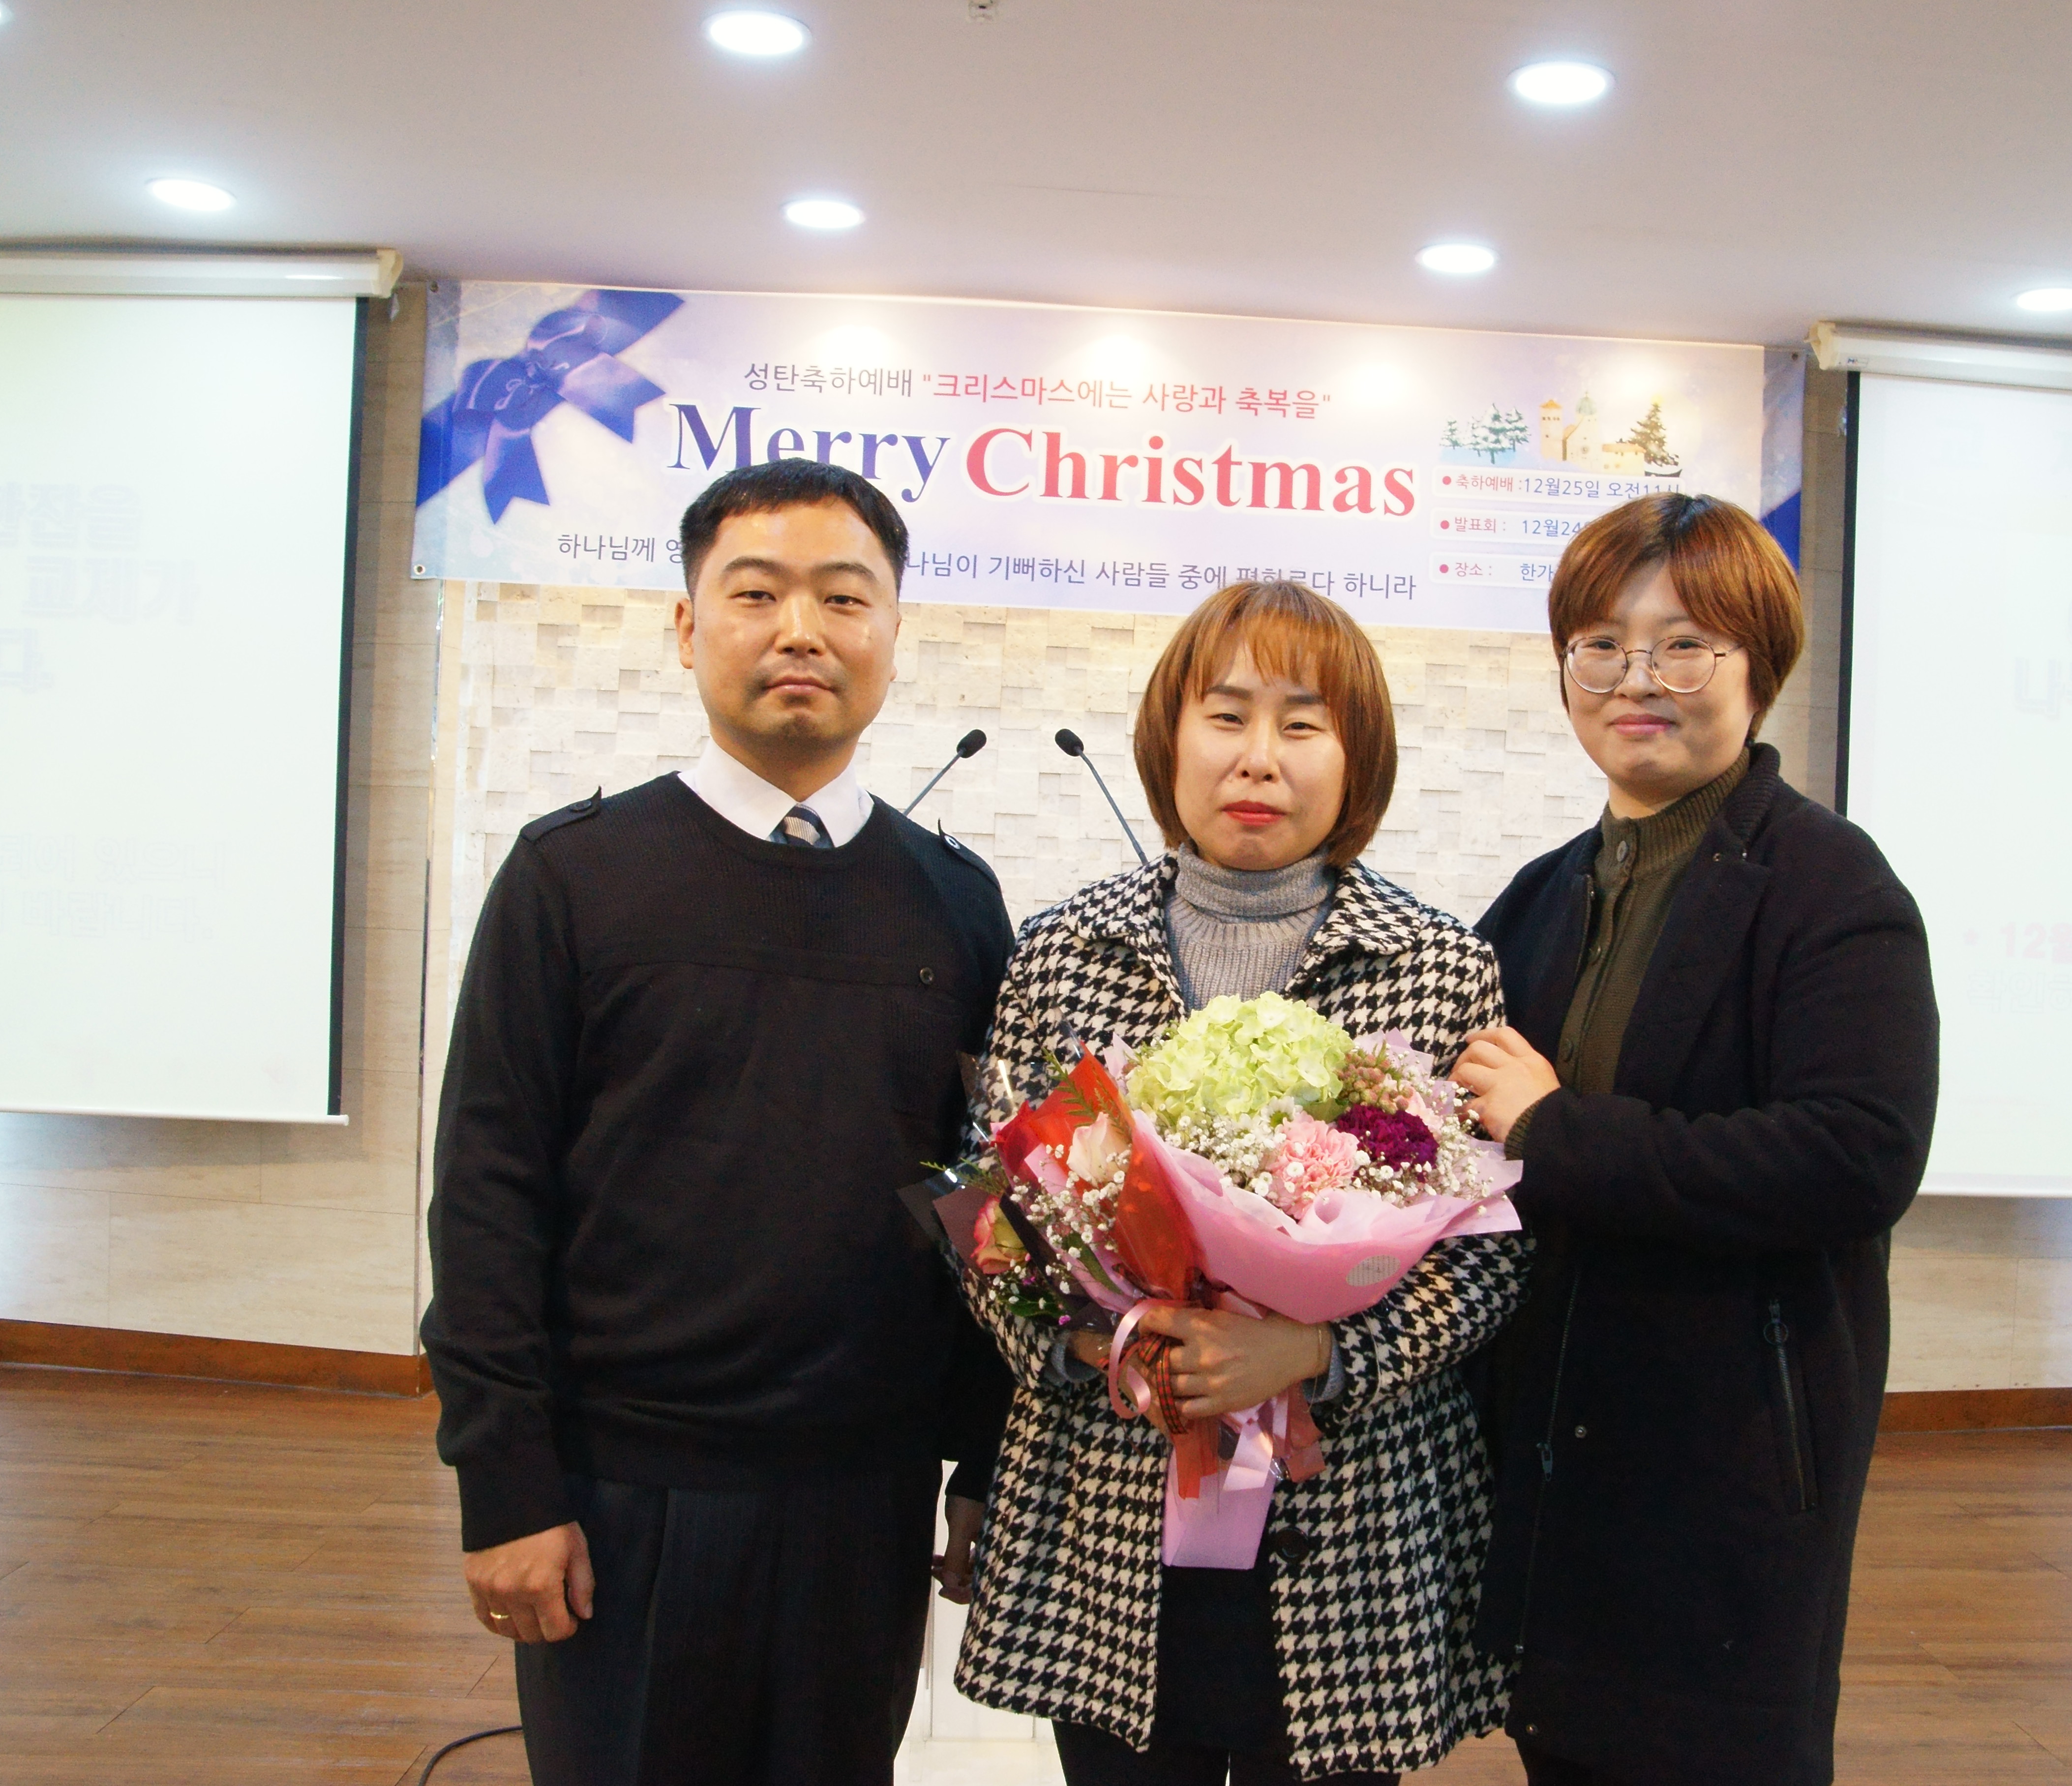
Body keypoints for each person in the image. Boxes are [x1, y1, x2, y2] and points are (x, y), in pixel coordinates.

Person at [420, 459, 1015, 1785]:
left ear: (894, 634)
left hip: (864, 1494)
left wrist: (982, 1460)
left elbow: (989, 1205)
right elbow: (489, 1194)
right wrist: (506, 1484)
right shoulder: (573, 876)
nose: (802, 630)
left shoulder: (958, 902)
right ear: (688, 627)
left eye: (844, 598)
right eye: (756, 594)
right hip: (621, 1491)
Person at [951, 582, 1533, 1785]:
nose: (1258, 757)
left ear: (1355, 758)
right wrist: (1115, 1349)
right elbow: (997, 1229)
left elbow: (1486, 1259)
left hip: (1352, 1528)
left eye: (1302, 723)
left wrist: (1311, 1353)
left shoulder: (1436, 966)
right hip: (1109, 1512)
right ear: (1169, 738)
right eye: (1225, 715)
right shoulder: (1060, 954)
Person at [1453, 493, 1940, 1786]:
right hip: (1559, 1447)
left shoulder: (1829, 885)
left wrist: (1557, 1131)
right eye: (1601, 646)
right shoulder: (1543, 893)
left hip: (1729, 1448)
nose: (1637, 679)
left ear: (1757, 667)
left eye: (1682, 646)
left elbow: (1857, 1155)